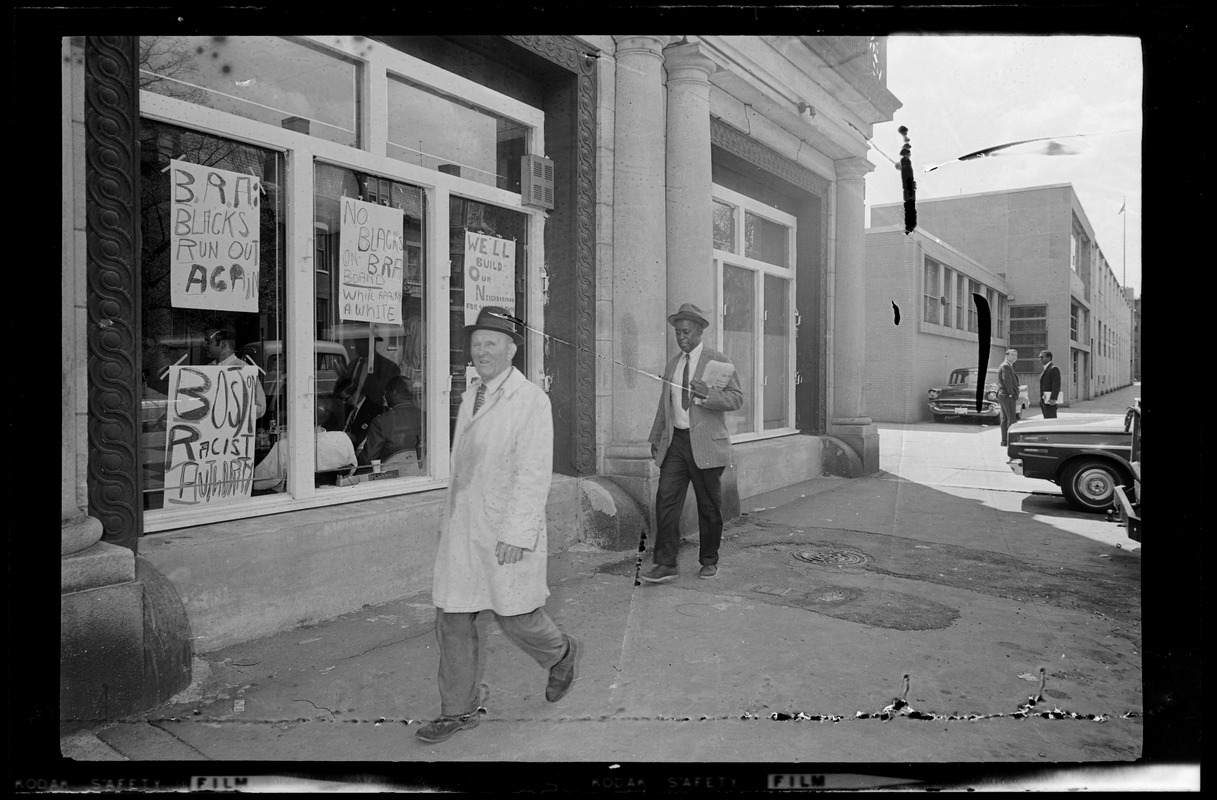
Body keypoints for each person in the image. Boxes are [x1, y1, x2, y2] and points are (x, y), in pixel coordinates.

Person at [418, 306, 578, 745]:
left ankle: (561, 653)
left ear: (511, 349)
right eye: (476, 343)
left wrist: (516, 534)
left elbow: (533, 472)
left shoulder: (530, 400)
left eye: (491, 343)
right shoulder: (473, 394)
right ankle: (457, 710)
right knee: (453, 617)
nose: (481, 350)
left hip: (504, 527)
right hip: (465, 527)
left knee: (516, 617)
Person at [642, 303, 744, 583]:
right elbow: (665, 405)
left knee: (709, 506)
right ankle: (666, 563)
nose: (681, 337)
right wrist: (656, 438)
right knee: (665, 500)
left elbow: (736, 398)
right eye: (677, 332)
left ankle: (709, 560)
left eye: (686, 331)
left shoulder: (717, 360)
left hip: (707, 445)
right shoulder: (673, 364)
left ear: (699, 331)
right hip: (676, 442)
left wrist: (708, 394)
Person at [252, 397, 356, 492]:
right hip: (334, 495)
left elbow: (259, 482)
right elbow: (352, 468)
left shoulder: (285, 446)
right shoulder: (343, 438)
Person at [359, 375, 424, 472]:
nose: (383, 396)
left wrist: (357, 453)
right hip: (421, 473)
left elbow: (367, 459)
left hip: (391, 478)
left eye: (385, 392)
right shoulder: (425, 416)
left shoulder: (381, 422)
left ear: (393, 393)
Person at [205, 327, 267, 420]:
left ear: (224, 344)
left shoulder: (244, 370)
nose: (204, 345)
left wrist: (232, 413)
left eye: (209, 342)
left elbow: (260, 407)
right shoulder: (208, 369)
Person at [997, 347, 1020, 447]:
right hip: (1007, 395)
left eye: (1016, 355)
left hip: (1003, 395)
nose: (1014, 357)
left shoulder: (1007, 366)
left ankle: (1005, 440)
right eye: (1012, 355)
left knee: (1005, 418)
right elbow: (1006, 380)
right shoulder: (1006, 366)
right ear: (1006, 356)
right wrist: (1011, 393)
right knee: (1011, 418)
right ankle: (1011, 441)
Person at [1038, 350, 1061, 419]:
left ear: (1049, 358)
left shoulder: (1053, 368)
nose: (1040, 359)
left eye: (1042, 357)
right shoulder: (1045, 369)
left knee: (1051, 419)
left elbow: (1056, 384)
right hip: (1044, 399)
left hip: (1050, 400)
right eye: (1039, 357)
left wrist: (1053, 398)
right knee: (1046, 419)